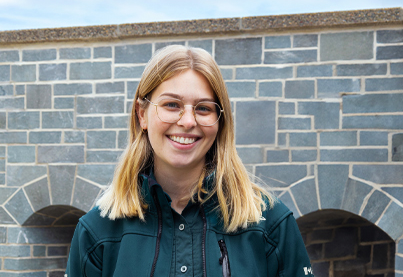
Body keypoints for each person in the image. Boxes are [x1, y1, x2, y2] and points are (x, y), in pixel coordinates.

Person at [65, 45, 314, 277]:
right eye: (172, 105)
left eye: (204, 108)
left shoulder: (269, 223)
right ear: (142, 114)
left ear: (220, 120)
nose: (187, 121)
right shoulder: (97, 231)